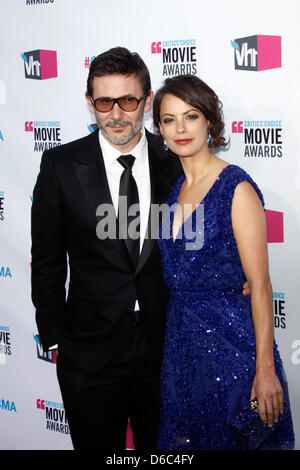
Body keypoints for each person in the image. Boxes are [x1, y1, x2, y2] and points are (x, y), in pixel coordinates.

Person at [31, 47, 250, 451]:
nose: (116, 114)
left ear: (147, 101)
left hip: (165, 348)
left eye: (128, 100)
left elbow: (213, 232)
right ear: (89, 103)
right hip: (89, 355)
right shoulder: (60, 165)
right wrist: (57, 340)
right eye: (104, 102)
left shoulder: (175, 161)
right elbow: (46, 260)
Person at [152, 74, 295, 450]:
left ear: (210, 122)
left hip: (234, 351)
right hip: (181, 351)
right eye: (169, 120)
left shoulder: (237, 188)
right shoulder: (173, 191)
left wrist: (264, 368)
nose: (180, 128)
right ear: (161, 130)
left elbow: (260, 285)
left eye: (191, 116)